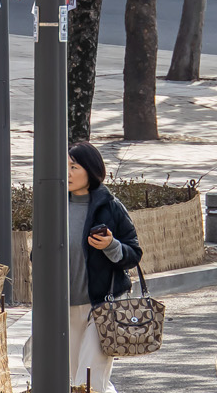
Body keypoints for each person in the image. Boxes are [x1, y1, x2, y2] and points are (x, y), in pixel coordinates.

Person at [66, 141, 141, 392]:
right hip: (64, 307)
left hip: (104, 306)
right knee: (77, 375)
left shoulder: (111, 207)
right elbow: (38, 255)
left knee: (89, 377)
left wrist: (111, 245)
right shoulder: (54, 206)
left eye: (74, 167)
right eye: (64, 166)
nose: (67, 172)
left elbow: (134, 254)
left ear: (91, 170)